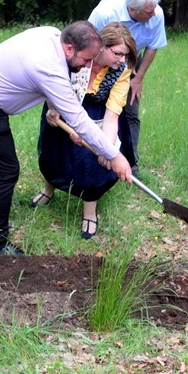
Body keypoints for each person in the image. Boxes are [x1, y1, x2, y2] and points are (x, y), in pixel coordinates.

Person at [0, 21, 133, 256]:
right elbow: (78, 118)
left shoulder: (52, 34)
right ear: (69, 48)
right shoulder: (49, 67)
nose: (88, 65)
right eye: (86, 59)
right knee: (5, 171)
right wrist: (114, 155)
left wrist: (55, 108)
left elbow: (59, 95)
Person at [32, 22, 138, 239]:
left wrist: (106, 149)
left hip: (96, 116)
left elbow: (111, 117)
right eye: (118, 53)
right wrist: (54, 111)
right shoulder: (79, 57)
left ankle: (90, 212)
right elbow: (51, 84)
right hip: (62, 109)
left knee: (92, 165)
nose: (122, 60)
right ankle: (48, 190)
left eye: (125, 55)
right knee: (52, 154)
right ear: (102, 46)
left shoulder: (121, 72)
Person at [88, 0, 167, 175]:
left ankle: (130, 162)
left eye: (154, 9)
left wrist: (138, 78)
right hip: (98, 60)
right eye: (148, 12)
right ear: (132, 9)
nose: (154, 14)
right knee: (96, 108)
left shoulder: (156, 12)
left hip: (132, 62)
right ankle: (94, 159)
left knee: (130, 111)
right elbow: (87, 44)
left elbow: (153, 46)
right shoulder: (105, 12)